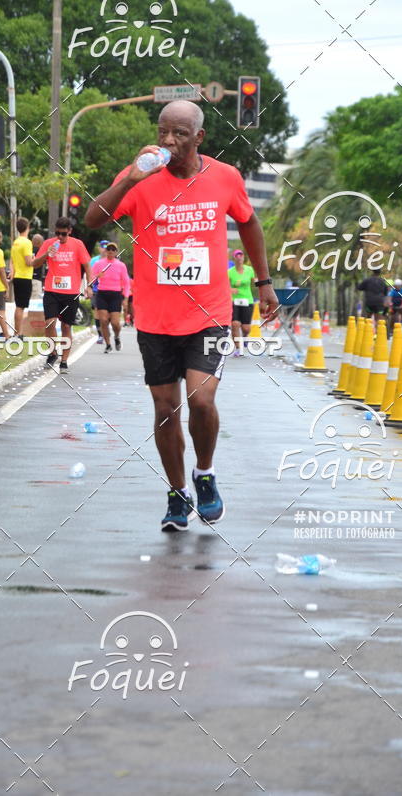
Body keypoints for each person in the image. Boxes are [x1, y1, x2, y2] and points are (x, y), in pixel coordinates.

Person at [84, 100, 278, 531]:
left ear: (199, 138)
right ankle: (177, 492)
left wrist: (264, 283)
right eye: (163, 132)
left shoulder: (224, 177)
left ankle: (204, 474)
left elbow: (249, 223)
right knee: (166, 408)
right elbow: (93, 218)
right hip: (155, 318)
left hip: (209, 312)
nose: (169, 141)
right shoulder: (140, 176)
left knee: (201, 400)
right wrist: (130, 180)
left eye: (179, 134)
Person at [33, 217, 93, 374]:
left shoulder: (77, 244)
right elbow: (34, 264)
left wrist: (89, 286)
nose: (60, 237)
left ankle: (64, 361)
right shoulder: (48, 243)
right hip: (52, 290)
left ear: (70, 231)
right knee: (50, 323)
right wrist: (46, 254)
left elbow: (87, 266)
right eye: (57, 233)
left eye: (63, 234)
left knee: (66, 326)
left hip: (71, 292)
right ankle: (52, 354)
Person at [94, 242, 130, 353]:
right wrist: (96, 277)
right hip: (102, 294)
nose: (110, 251)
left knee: (115, 323)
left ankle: (117, 337)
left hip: (115, 295)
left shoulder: (121, 265)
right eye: (108, 249)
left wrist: (125, 298)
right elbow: (91, 277)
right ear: (105, 251)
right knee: (103, 321)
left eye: (113, 249)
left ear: (116, 252)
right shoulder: (99, 264)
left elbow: (126, 283)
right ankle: (108, 344)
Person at [9, 217, 36, 338]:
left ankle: (17, 331)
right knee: (21, 306)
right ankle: (18, 332)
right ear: (27, 228)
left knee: (19, 305)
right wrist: (35, 259)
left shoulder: (16, 242)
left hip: (17, 276)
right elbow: (28, 262)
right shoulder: (27, 242)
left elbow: (12, 260)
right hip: (25, 277)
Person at [228, 249, 255, 356]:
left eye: (241, 256)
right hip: (234, 301)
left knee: (246, 328)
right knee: (235, 324)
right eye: (237, 256)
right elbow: (224, 286)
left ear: (243, 258)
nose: (239, 258)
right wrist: (230, 290)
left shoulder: (249, 270)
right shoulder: (230, 272)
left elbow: (255, 282)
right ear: (234, 258)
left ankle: (245, 336)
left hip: (247, 300)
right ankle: (238, 348)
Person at [90, 239, 109, 344]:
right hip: (97, 289)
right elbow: (90, 274)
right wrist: (88, 287)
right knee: (97, 311)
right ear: (99, 248)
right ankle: (100, 335)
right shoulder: (94, 261)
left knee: (107, 314)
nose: (104, 250)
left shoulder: (113, 260)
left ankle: (105, 330)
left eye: (106, 248)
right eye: (103, 248)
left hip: (110, 289)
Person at [31, 233, 44, 298]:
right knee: (35, 302)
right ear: (40, 242)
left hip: (27, 279)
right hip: (36, 280)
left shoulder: (29, 250)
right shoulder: (40, 251)